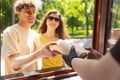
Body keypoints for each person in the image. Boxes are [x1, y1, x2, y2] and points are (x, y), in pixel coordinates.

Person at [1, 0, 58, 75]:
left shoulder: (35, 34)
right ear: (19, 13)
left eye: (34, 12)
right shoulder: (11, 32)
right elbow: (14, 64)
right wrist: (39, 54)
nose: (31, 14)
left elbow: (44, 55)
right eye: (27, 12)